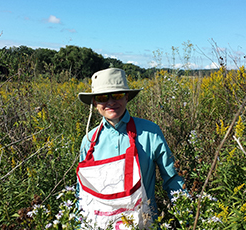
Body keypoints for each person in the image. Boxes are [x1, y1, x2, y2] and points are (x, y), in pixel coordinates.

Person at [76, 68, 185, 229]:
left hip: (145, 224)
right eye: (102, 97)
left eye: (118, 95)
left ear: (127, 97)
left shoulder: (150, 132)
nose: (111, 102)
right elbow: (82, 193)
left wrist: (188, 215)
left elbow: (172, 178)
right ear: (94, 102)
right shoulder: (89, 141)